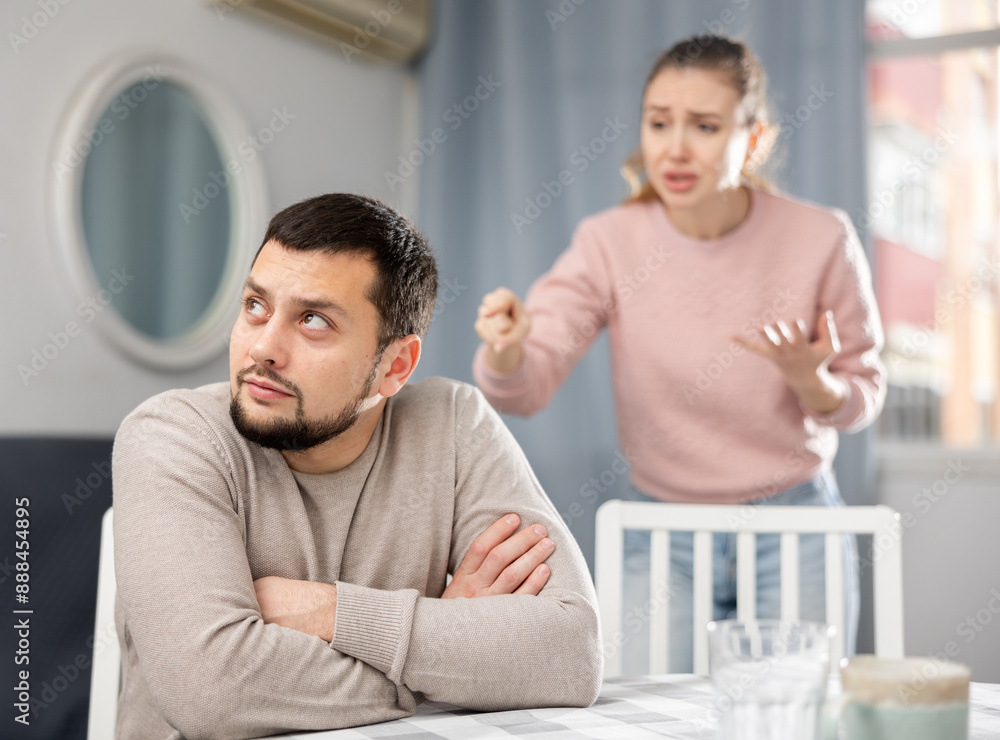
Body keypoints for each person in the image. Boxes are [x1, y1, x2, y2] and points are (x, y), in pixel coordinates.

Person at [111, 193, 602, 740]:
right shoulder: (171, 437)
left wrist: (332, 613)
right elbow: (215, 692)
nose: (263, 348)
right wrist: (440, 649)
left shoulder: (455, 423)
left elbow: (571, 651)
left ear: (395, 366)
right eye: (256, 306)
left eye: (313, 320)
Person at [472, 35, 885, 672]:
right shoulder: (608, 241)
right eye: (659, 122)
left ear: (754, 140)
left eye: (705, 126)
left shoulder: (821, 236)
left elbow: (863, 395)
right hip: (661, 529)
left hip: (795, 523)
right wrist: (506, 351)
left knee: (803, 714)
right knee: (649, 714)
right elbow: (526, 387)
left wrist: (815, 385)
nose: (675, 147)